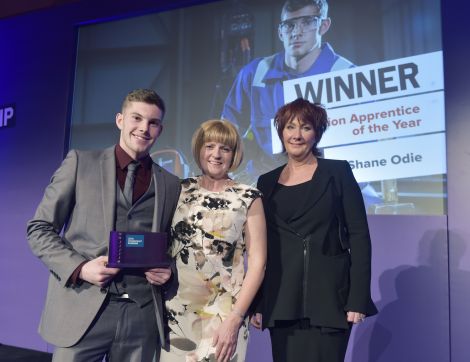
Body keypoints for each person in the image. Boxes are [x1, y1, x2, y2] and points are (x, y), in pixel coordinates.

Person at [27, 89, 181, 361]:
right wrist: (80, 267)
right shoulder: (80, 163)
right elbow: (39, 229)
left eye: (153, 122)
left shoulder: (169, 183)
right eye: (137, 118)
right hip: (82, 308)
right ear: (120, 120)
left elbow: (171, 245)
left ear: (160, 129)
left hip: (141, 315)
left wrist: (167, 270)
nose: (144, 128)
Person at [251, 98, 377, 362]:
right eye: (290, 127)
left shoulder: (338, 172)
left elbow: (359, 237)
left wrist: (358, 299)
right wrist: (259, 302)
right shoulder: (266, 181)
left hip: (330, 299)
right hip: (282, 299)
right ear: (281, 132)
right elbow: (263, 249)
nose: (297, 135)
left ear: (316, 134)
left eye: (306, 128)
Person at [160, 120, 267, 362]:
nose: (216, 155)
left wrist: (235, 318)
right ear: (199, 149)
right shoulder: (178, 190)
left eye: (225, 149)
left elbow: (258, 264)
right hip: (175, 313)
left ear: (234, 154)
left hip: (224, 318)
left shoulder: (249, 197)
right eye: (209, 146)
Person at [222, 0, 353, 160]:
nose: (296, 32)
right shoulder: (255, 73)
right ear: (280, 32)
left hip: (323, 178)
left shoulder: (347, 75)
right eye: (289, 25)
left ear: (323, 26)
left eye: (307, 22)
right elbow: (228, 129)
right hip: (265, 179)